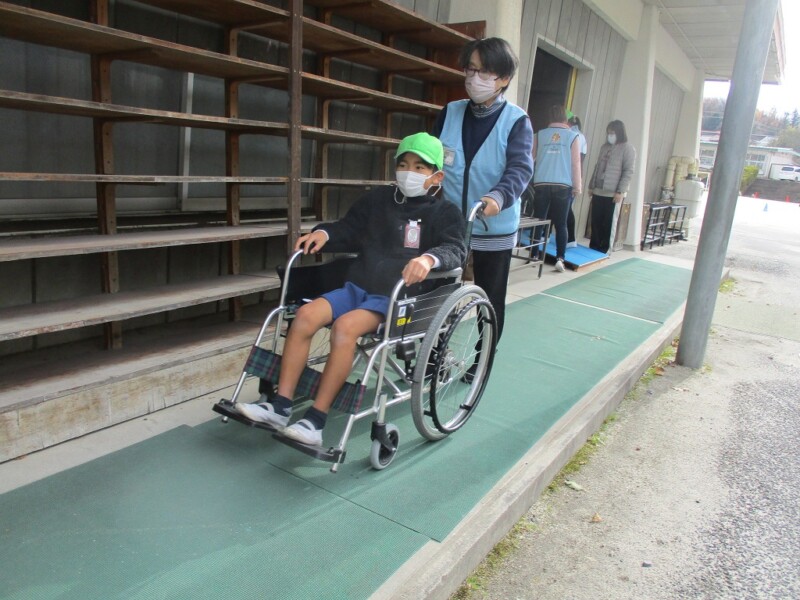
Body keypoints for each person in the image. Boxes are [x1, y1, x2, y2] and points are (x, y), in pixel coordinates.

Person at [235, 133, 467, 447]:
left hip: (397, 298)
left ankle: (315, 421)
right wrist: (325, 234)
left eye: (419, 167)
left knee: (345, 327)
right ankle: (280, 406)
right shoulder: (378, 200)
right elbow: (349, 228)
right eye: (403, 165)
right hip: (359, 285)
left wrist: (429, 258)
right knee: (304, 315)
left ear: (436, 176)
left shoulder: (445, 212)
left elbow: (455, 250)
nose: (408, 172)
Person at [432, 37, 533, 341]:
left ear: (504, 78)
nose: (474, 78)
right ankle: (435, 353)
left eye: (484, 72)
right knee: (437, 294)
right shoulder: (450, 112)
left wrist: (498, 197)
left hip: (493, 224)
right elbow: (432, 157)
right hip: (452, 222)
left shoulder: (516, 121)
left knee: (489, 297)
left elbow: (520, 168)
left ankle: (484, 354)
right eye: (470, 69)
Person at [531, 104, 582, 272]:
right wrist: (577, 186)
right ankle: (560, 258)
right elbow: (575, 163)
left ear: (550, 118)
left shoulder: (539, 135)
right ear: (565, 118)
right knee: (561, 224)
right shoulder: (573, 137)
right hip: (563, 184)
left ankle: (534, 254)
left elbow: (530, 158)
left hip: (541, 182)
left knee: (539, 221)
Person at [588, 120, 636, 254]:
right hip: (598, 190)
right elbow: (597, 167)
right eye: (608, 133)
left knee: (609, 222)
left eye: (612, 133)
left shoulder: (628, 149)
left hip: (613, 193)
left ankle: (605, 250)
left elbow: (628, 171)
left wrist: (620, 191)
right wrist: (592, 186)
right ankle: (593, 247)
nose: (610, 136)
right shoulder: (604, 147)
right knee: (595, 221)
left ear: (620, 133)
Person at [566, 112, 588, 248]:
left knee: (566, 208)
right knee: (566, 208)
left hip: (568, 177)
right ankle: (570, 239)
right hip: (574, 177)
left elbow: (575, 162)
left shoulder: (572, 135)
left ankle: (571, 239)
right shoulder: (581, 136)